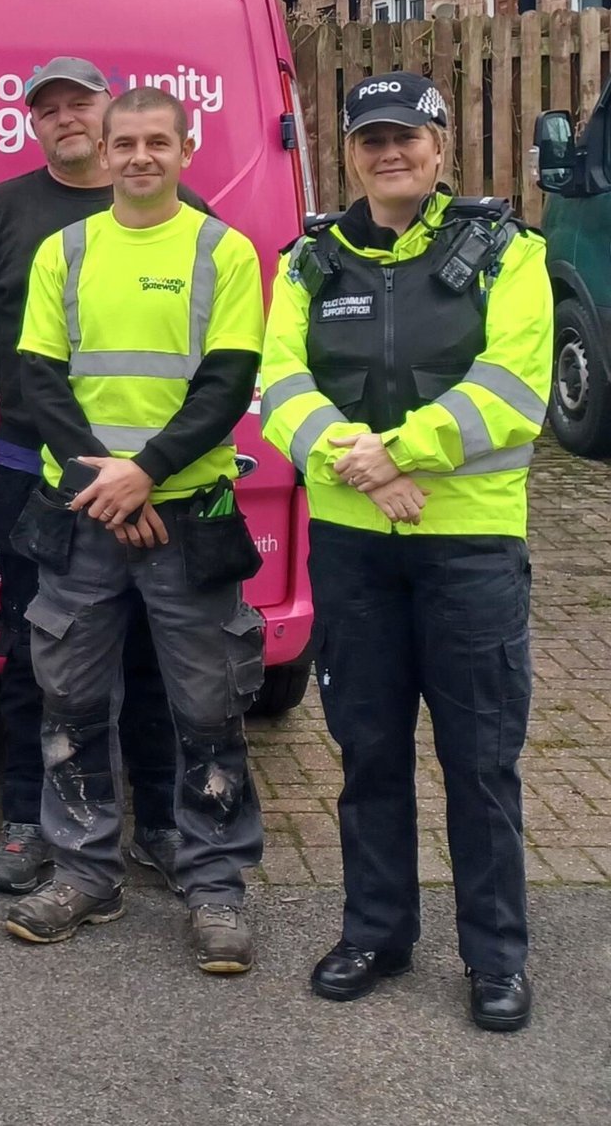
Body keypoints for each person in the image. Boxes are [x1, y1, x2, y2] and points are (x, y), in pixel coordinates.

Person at [260, 72, 551, 1032]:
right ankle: (377, 932)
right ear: (350, 154)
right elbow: (279, 389)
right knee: (369, 750)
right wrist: (369, 473)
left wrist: (394, 452)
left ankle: (495, 955)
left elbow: (512, 390)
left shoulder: (508, 254)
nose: (391, 155)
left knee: (479, 759)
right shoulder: (307, 261)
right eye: (371, 140)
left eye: (407, 138)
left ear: (440, 150)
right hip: (355, 548)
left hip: (468, 547)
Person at [2, 86, 267, 975]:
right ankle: (85, 873)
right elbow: (36, 377)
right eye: (127, 143)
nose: (142, 157)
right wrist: (108, 483)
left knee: (208, 705)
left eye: (160, 141)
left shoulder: (223, 251)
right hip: (82, 516)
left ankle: (217, 887)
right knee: (69, 702)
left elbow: (228, 382)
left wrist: (144, 473)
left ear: (185, 149)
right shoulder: (63, 251)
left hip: (187, 515)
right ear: (104, 152)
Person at [0, 57, 192, 896]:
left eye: (79, 102)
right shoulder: (2, 212)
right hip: (31, 470)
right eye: (48, 108)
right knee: (33, 657)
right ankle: (25, 823)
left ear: (111, 112)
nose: (65, 117)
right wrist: (13, 380)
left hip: (159, 480)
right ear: (31, 124)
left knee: (155, 658)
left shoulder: (186, 222)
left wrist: (148, 462)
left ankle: (157, 822)